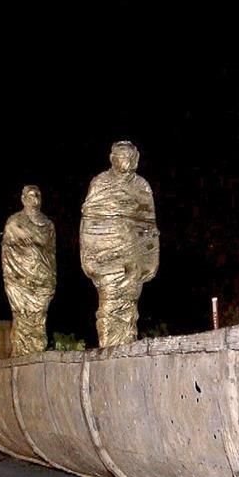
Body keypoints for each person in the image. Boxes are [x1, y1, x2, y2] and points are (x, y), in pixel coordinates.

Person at [80, 140, 159, 347]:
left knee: (129, 304)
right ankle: (108, 348)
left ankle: (126, 346)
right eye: (122, 156)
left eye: (130, 157)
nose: (126, 161)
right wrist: (90, 257)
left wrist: (151, 260)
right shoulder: (100, 183)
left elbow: (148, 226)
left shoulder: (142, 186)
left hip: (132, 257)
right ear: (112, 158)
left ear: (136, 159)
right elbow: (90, 221)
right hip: (107, 256)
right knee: (109, 304)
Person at [2, 185, 57, 356]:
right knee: (23, 313)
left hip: (42, 276)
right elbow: (8, 249)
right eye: (31, 196)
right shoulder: (15, 222)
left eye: (38, 195)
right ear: (23, 199)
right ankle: (23, 351)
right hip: (20, 276)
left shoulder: (48, 224)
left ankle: (36, 349)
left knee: (38, 314)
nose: (35, 199)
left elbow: (51, 251)